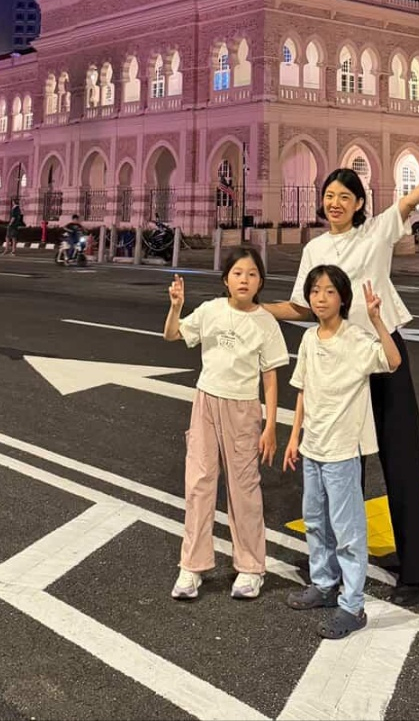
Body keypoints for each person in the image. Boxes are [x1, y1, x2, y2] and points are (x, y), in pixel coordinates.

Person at [265, 129, 419, 605]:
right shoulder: (314, 250)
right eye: (329, 196)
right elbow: (303, 306)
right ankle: (339, 570)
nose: (335, 202)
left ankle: (414, 570)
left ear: (361, 203)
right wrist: (256, 308)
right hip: (337, 360)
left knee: (400, 458)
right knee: (344, 468)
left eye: (345, 196)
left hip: (381, 352)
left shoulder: (377, 231)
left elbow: (413, 197)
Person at [164, 247, 288, 602]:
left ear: (260, 281)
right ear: (226, 280)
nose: (244, 280)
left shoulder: (265, 321)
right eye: (237, 273)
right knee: (199, 483)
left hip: (243, 408)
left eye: (251, 274)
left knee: (244, 488)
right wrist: (176, 307)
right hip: (206, 401)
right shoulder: (210, 311)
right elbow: (173, 336)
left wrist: (269, 426)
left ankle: (250, 568)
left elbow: (270, 377)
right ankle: (192, 566)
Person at [283, 267, 401, 640]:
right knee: (315, 520)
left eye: (329, 292)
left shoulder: (356, 339)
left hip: (342, 449)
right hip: (313, 445)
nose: (320, 298)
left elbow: (393, 360)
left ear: (342, 299)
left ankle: (352, 605)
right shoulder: (308, 340)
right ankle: (323, 584)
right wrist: (293, 437)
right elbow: (301, 389)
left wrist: (379, 319)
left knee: (348, 531)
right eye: (315, 291)